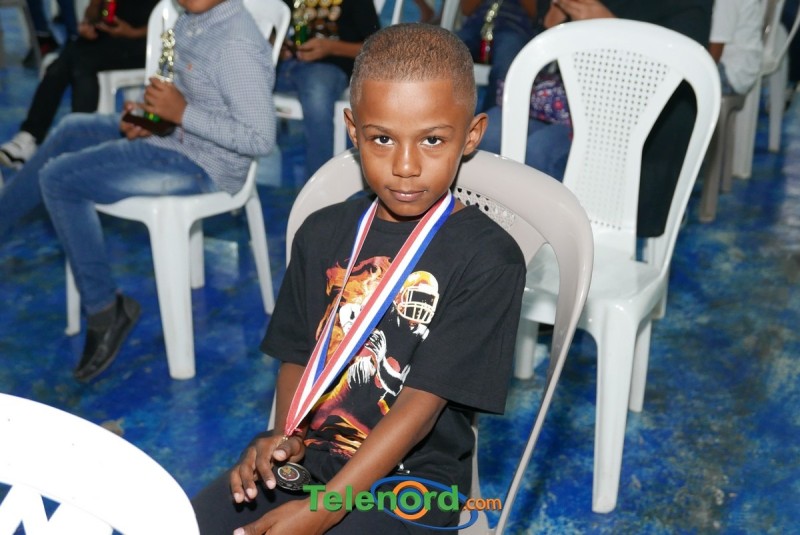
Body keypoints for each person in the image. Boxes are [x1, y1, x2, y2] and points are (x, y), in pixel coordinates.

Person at [192, 23, 526, 534]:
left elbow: (420, 407)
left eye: (433, 140)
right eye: (382, 139)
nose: (406, 166)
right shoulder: (322, 232)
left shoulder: (489, 258)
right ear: (354, 130)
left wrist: (324, 509)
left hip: (412, 484)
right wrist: (286, 438)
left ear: (472, 135)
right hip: (314, 459)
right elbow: (297, 354)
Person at [0, 0, 276, 382]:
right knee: (71, 129)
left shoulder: (234, 43)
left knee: (59, 179)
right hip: (173, 139)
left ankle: (105, 310)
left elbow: (259, 138)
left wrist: (180, 113)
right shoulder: (192, 20)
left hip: (202, 166)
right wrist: (149, 118)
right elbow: (184, 104)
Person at [479, 0, 713, 237]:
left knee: (539, 151)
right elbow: (546, 37)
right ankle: (490, 245)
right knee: (490, 133)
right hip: (563, 104)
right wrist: (552, 21)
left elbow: (688, 63)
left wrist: (611, 29)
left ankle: (535, 250)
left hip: (636, 130)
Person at [0, 0, 158, 169]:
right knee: (63, 63)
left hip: (149, 44)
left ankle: (37, 138)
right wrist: (90, 22)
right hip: (111, 38)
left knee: (80, 63)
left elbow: (171, 24)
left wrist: (133, 33)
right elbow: (93, 14)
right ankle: (37, 138)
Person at [277, 0, 379, 181]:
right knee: (244, 74)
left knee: (317, 97)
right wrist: (278, 45)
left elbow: (376, 46)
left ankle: (319, 186)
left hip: (329, 67)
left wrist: (331, 48)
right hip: (286, 65)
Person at [455, 0, 541, 110]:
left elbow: (535, 13)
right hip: (477, 25)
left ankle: (493, 115)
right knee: (447, 51)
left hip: (514, 28)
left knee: (507, 62)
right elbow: (466, 9)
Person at [709, 0, 764, 96]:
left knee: (684, 77)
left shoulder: (726, 2)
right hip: (742, 67)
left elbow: (714, 53)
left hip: (730, 71)